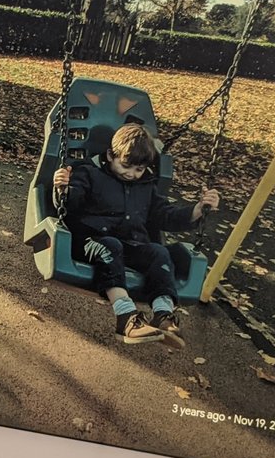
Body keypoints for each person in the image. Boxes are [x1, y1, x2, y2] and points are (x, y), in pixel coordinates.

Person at [52, 124, 219, 348]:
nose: (132, 174)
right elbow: (71, 204)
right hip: (90, 241)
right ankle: (126, 318)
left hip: (130, 243)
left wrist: (198, 209)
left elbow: (164, 216)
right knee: (111, 246)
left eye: (139, 170)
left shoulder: (145, 185)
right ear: (111, 155)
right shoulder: (88, 172)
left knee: (158, 252)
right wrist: (63, 189)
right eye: (126, 166)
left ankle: (162, 315)